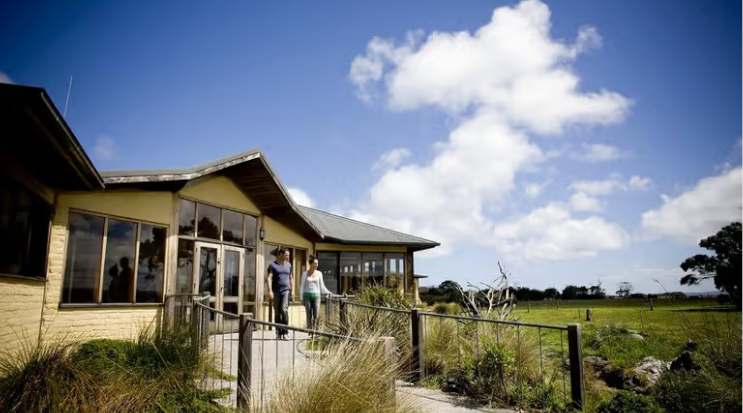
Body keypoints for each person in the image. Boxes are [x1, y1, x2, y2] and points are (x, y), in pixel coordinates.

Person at [299, 255, 332, 332]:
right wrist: (301, 298)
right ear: (310, 264)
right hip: (307, 296)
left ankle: (316, 332)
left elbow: (322, 287)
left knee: (316, 315)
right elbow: (302, 286)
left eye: (317, 263)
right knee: (309, 315)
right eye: (315, 263)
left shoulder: (319, 273)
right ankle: (309, 331)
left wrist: (329, 292)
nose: (316, 265)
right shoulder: (305, 274)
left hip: (317, 297)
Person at [267, 248, 292, 340]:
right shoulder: (272, 265)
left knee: (284, 310)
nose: (288, 257)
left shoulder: (289, 265)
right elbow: (269, 278)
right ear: (280, 254)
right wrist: (270, 291)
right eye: (286, 255)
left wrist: (292, 290)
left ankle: (285, 332)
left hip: (286, 291)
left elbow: (291, 278)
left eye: (288, 255)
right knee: (277, 312)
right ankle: (278, 332)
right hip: (276, 291)